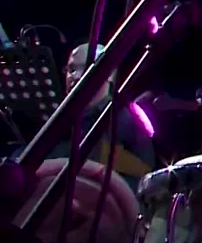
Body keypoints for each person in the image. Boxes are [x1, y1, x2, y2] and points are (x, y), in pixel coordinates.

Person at [56, 42, 158, 190]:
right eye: (71, 69)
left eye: (86, 68)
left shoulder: (126, 121)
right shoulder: (59, 118)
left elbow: (142, 181)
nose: (76, 76)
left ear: (110, 74)